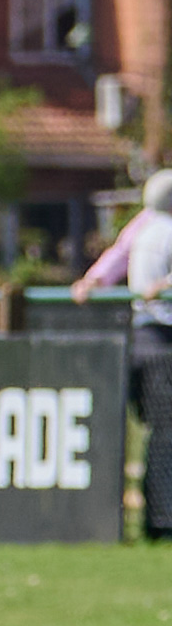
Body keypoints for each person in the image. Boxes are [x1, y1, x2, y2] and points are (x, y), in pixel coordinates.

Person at [125, 169, 172, 541]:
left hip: (141, 339)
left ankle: (155, 517)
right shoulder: (168, 232)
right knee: (167, 434)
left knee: (156, 433)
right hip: (163, 341)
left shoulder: (140, 232)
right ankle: (162, 518)